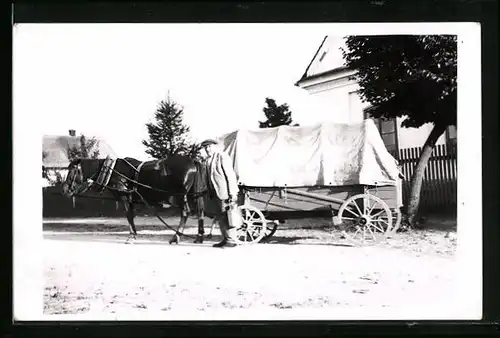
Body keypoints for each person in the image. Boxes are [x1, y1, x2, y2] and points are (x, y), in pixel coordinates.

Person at [199, 139, 240, 248]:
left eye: (209, 147)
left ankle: (232, 240)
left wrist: (232, 192)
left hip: (224, 192)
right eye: (206, 147)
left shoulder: (222, 157)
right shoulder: (207, 160)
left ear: (215, 147)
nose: (207, 149)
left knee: (228, 216)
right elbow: (206, 177)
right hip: (213, 193)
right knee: (220, 216)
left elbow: (230, 175)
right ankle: (225, 238)